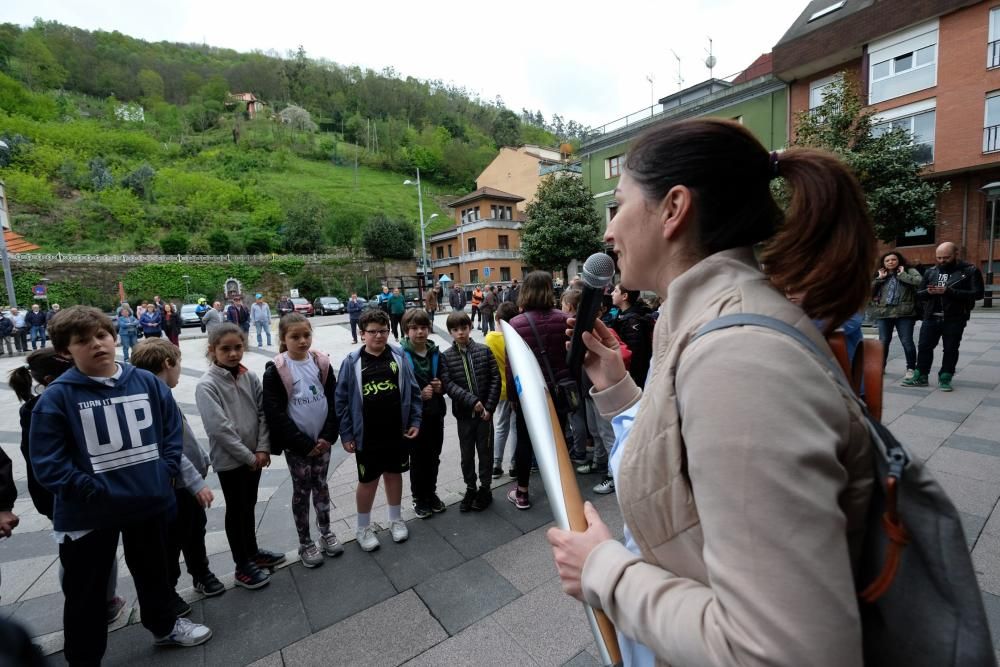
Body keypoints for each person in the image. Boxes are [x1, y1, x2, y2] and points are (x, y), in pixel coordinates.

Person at [544, 118, 875, 666]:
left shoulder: (739, 357)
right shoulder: (694, 320)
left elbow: (785, 650)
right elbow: (689, 483)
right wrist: (621, 395)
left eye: (619, 204)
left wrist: (603, 570)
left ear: (673, 209)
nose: (608, 232)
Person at [29, 307, 214, 663]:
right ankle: (84, 658)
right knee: (88, 592)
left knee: (154, 573)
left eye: (102, 336)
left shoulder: (144, 382)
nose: (97, 345)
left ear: (114, 337)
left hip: (149, 502)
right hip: (90, 513)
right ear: (66, 352)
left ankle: (164, 626)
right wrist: (91, 490)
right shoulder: (57, 398)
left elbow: (171, 432)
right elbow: (48, 464)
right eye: (83, 341)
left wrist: (164, 472)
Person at [129, 339, 226, 614]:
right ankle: (169, 592)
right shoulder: (151, 396)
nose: (180, 370)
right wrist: (195, 481)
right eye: (179, 364)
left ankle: (201, 574)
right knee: (170, 541)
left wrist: (202, 460)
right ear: (167, 364)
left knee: (195, 531)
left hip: (185, 484)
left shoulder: (160, 392)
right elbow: (166, 446)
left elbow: (183, 436)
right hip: (174, 485)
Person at [195, 323, 285, 590]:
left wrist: (262, 448)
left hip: (254, 457)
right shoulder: (207, 385)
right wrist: (249, 457)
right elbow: (219, 429)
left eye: (237, 348)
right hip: (232, 461)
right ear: (212, 350)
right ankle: (241, 564)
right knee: (236, 510)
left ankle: (252, 551)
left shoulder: (250, 377)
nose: (233, 354)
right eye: (225, 349)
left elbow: (262, 413)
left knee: (249, 505)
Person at [334, 309, 421, 552]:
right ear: (362, 334)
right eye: (373, 332)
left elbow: (413, 390)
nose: (379, 336)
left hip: (396, 431)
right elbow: (341, 401)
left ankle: (395, 519)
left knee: (394, 475)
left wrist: (415, 420)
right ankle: (363, 527)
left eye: (383, 331)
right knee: (368, 481)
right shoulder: (352, 362)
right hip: (368, 435)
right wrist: (347, 434)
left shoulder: (399, 356)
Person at [262, 313, 342, 568]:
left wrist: (328, 435)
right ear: (284, 339)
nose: (302, 341)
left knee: (321, 486)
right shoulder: (277, 369)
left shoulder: (321, 363)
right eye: (295, 337)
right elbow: (275, 413)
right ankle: (305, 541)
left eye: (306, 335)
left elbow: (334, 400)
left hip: (323, 442)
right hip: (298, 446)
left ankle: (326, 532)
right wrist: (304, 444)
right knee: (301, 491)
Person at [506, 271, 571, 510]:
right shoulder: (564, 318)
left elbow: (511, 365)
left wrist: (513, 397)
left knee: (525, 440)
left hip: (531, 394)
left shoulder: (516, 323)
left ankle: (522, 493)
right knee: (558, 438)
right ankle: (563, 490)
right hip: (559, 389)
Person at [561, 290, 632, 494]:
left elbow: (623, 354)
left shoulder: (604, 332)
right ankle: (600, 462)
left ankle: (612, 475)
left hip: (603, 393)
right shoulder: (576, 331)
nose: (562, 309)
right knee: (595, 431)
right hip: (588, 390)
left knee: (607, 433)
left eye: (564, 305)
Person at [902, 241, 985, 391]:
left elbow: (978, 294)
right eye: (939, 257)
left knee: (950, 348)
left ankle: (945, 377)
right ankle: (921, 376)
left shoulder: (970, 270)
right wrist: (929, 292)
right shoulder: (931, 271)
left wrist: (948, 291)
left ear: (956, 254)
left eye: (946, 257)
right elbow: (919, 294)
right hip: (931, 316)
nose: (941, 261)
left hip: (955, 318)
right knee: (924, 347)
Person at [443, 311, 500, 512]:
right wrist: (472, 401)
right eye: (455, 330)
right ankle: (470, 487)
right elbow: (448, 384)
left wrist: (490, 407)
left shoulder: (483, 351)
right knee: (466, 454)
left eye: (464, 328)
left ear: (469, 328)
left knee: (485, 452)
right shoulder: (446, 357)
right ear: (450, 332)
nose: (460, 333)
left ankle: (485, 488)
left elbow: (495, 378)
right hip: (465, 416)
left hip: (485, 415)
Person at [400, 309, 449, 519]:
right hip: (414, 418)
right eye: (414, 328)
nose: (420, 332)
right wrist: (418, 395)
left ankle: (431, 493)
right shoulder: (400, 356)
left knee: (434, 456)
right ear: (406, 330)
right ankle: (419, 498)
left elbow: (446, 379)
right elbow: (397, 390)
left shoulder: (435, 352)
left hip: (435, 413)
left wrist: (441, 387)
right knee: (418, 459)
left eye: (423, 327)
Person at [870, 250, 922, 378]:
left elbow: (920, 282)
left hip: (905, 313)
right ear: (883, 263)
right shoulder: (880, 273)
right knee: (883, 342)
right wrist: (879, 279)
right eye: (887, 260)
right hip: (884, 313)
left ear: (899, 260)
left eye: (893, 259)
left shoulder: (909, 270)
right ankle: (880, 367)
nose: (890, 262)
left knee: (906, 341)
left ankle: (910, 368)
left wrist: (903, 275)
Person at [486, 302, 518, 479]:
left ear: (497, 318)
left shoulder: (490, 339)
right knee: (514, 428)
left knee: (500, 426)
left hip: (499, 391)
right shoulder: (515, 337)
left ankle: (496, 464)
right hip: (516, 390)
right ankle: (514, 465)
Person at [610, 284, 653, 389]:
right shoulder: (623, 316)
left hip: (633, 377)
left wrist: (630, 376)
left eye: (615, 291)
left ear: (624, 296)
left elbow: (636, 353)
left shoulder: (632, 321)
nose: (612, 293)